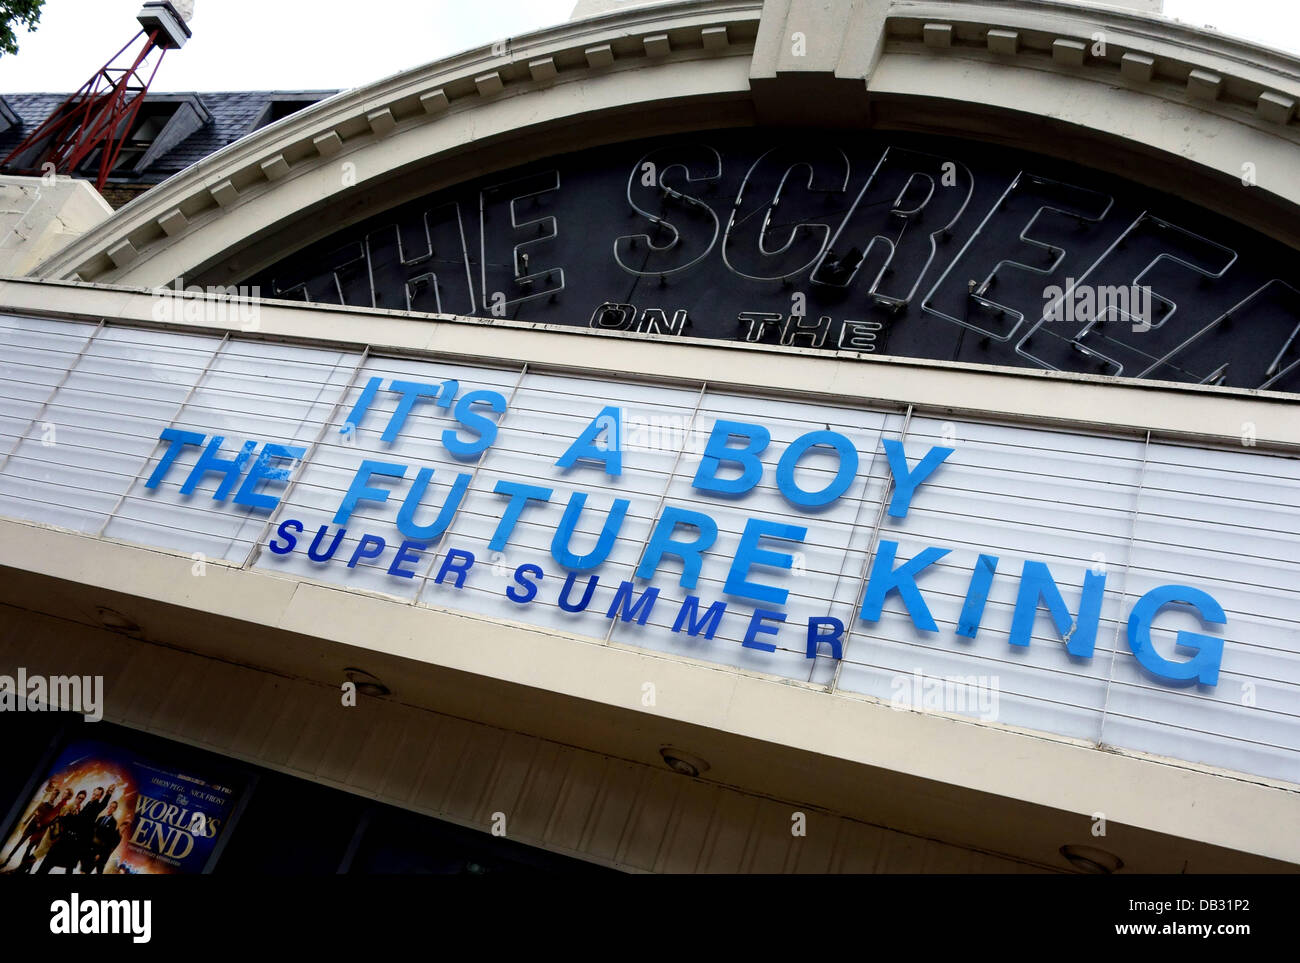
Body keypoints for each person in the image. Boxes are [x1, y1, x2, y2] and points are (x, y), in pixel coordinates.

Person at [0, 783, 64, 872]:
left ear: (56, 796)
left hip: (39, 830)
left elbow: (47, 819)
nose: (52, 795)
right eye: (52, 793)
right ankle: (7, 861)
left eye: (54, 794)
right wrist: (26, 822)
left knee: (31, 850)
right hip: (32, 826)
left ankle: (23, 867)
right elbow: (35, 812)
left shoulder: (52, 808)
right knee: (19, 844)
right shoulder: (43, 803)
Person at [35, 790, 88, 874]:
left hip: (65, 842)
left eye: (82, 799)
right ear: (76, 797)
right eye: (79, 798)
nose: (80, 800)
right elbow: (60, 821)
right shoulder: (68, 807)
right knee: (45, 864)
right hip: (58, 838)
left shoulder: (79, 809)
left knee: (54, 865)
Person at [84, 800, 123, 874]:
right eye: (110, 806)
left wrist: (99, 853)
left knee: (91, 870)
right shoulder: (100, 818)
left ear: (115, 810)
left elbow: (107, 840)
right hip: (91, 848)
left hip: (99, 850)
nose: (110, 809)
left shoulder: (113, 823)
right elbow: (92, 833)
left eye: (113, 808)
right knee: (85, 870)